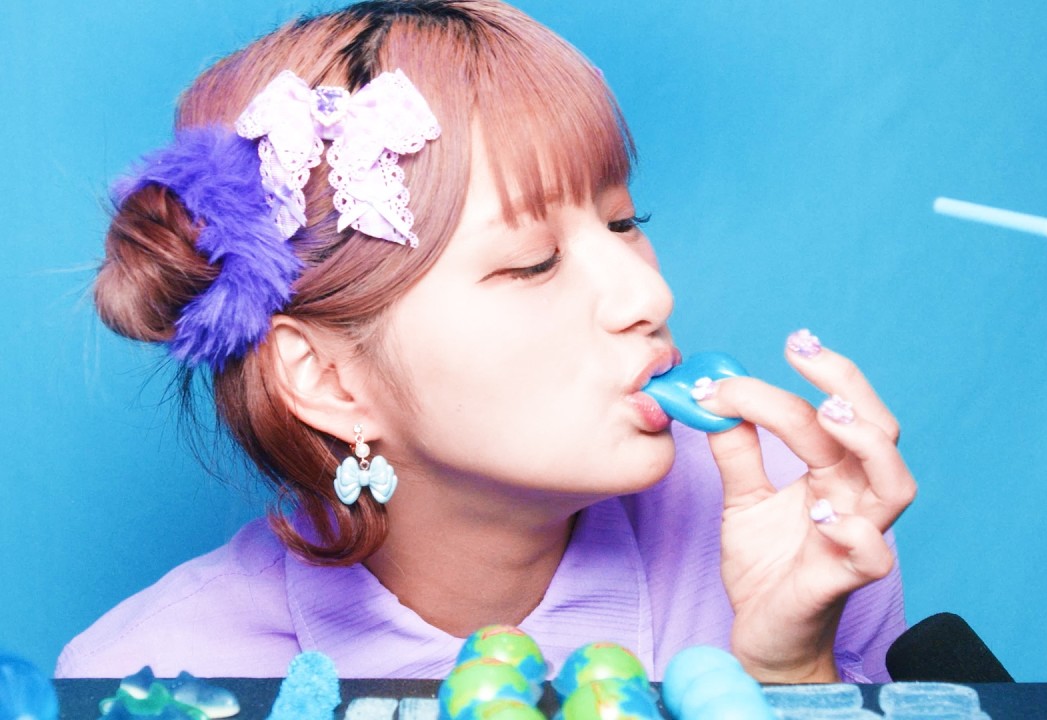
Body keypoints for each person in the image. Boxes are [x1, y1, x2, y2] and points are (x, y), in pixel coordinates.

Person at [57, 0, 915, 684]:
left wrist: (790, 675)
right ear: (325, 379)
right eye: (533, 263)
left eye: (625, 223)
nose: (649, 295)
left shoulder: (786, 522)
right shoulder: (157, 679)